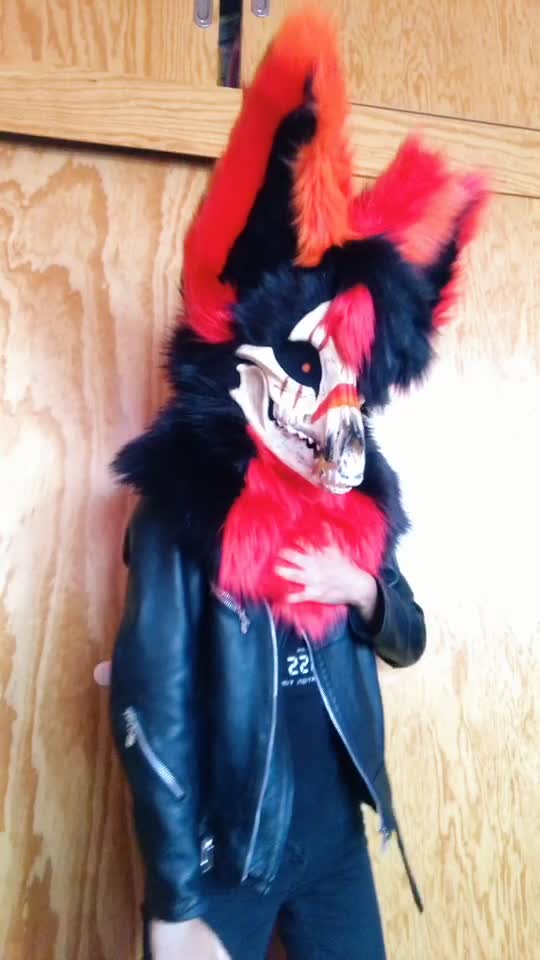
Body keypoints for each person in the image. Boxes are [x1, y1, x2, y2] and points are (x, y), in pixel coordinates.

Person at [101, 11, 487, 959]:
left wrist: (363, 591)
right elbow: (152, 703)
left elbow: (409, 635)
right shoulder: (185, 510)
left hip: (338, 847)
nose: (330, 401)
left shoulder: (354, 501)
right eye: (314, 366)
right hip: (228, 857)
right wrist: (174, 900)